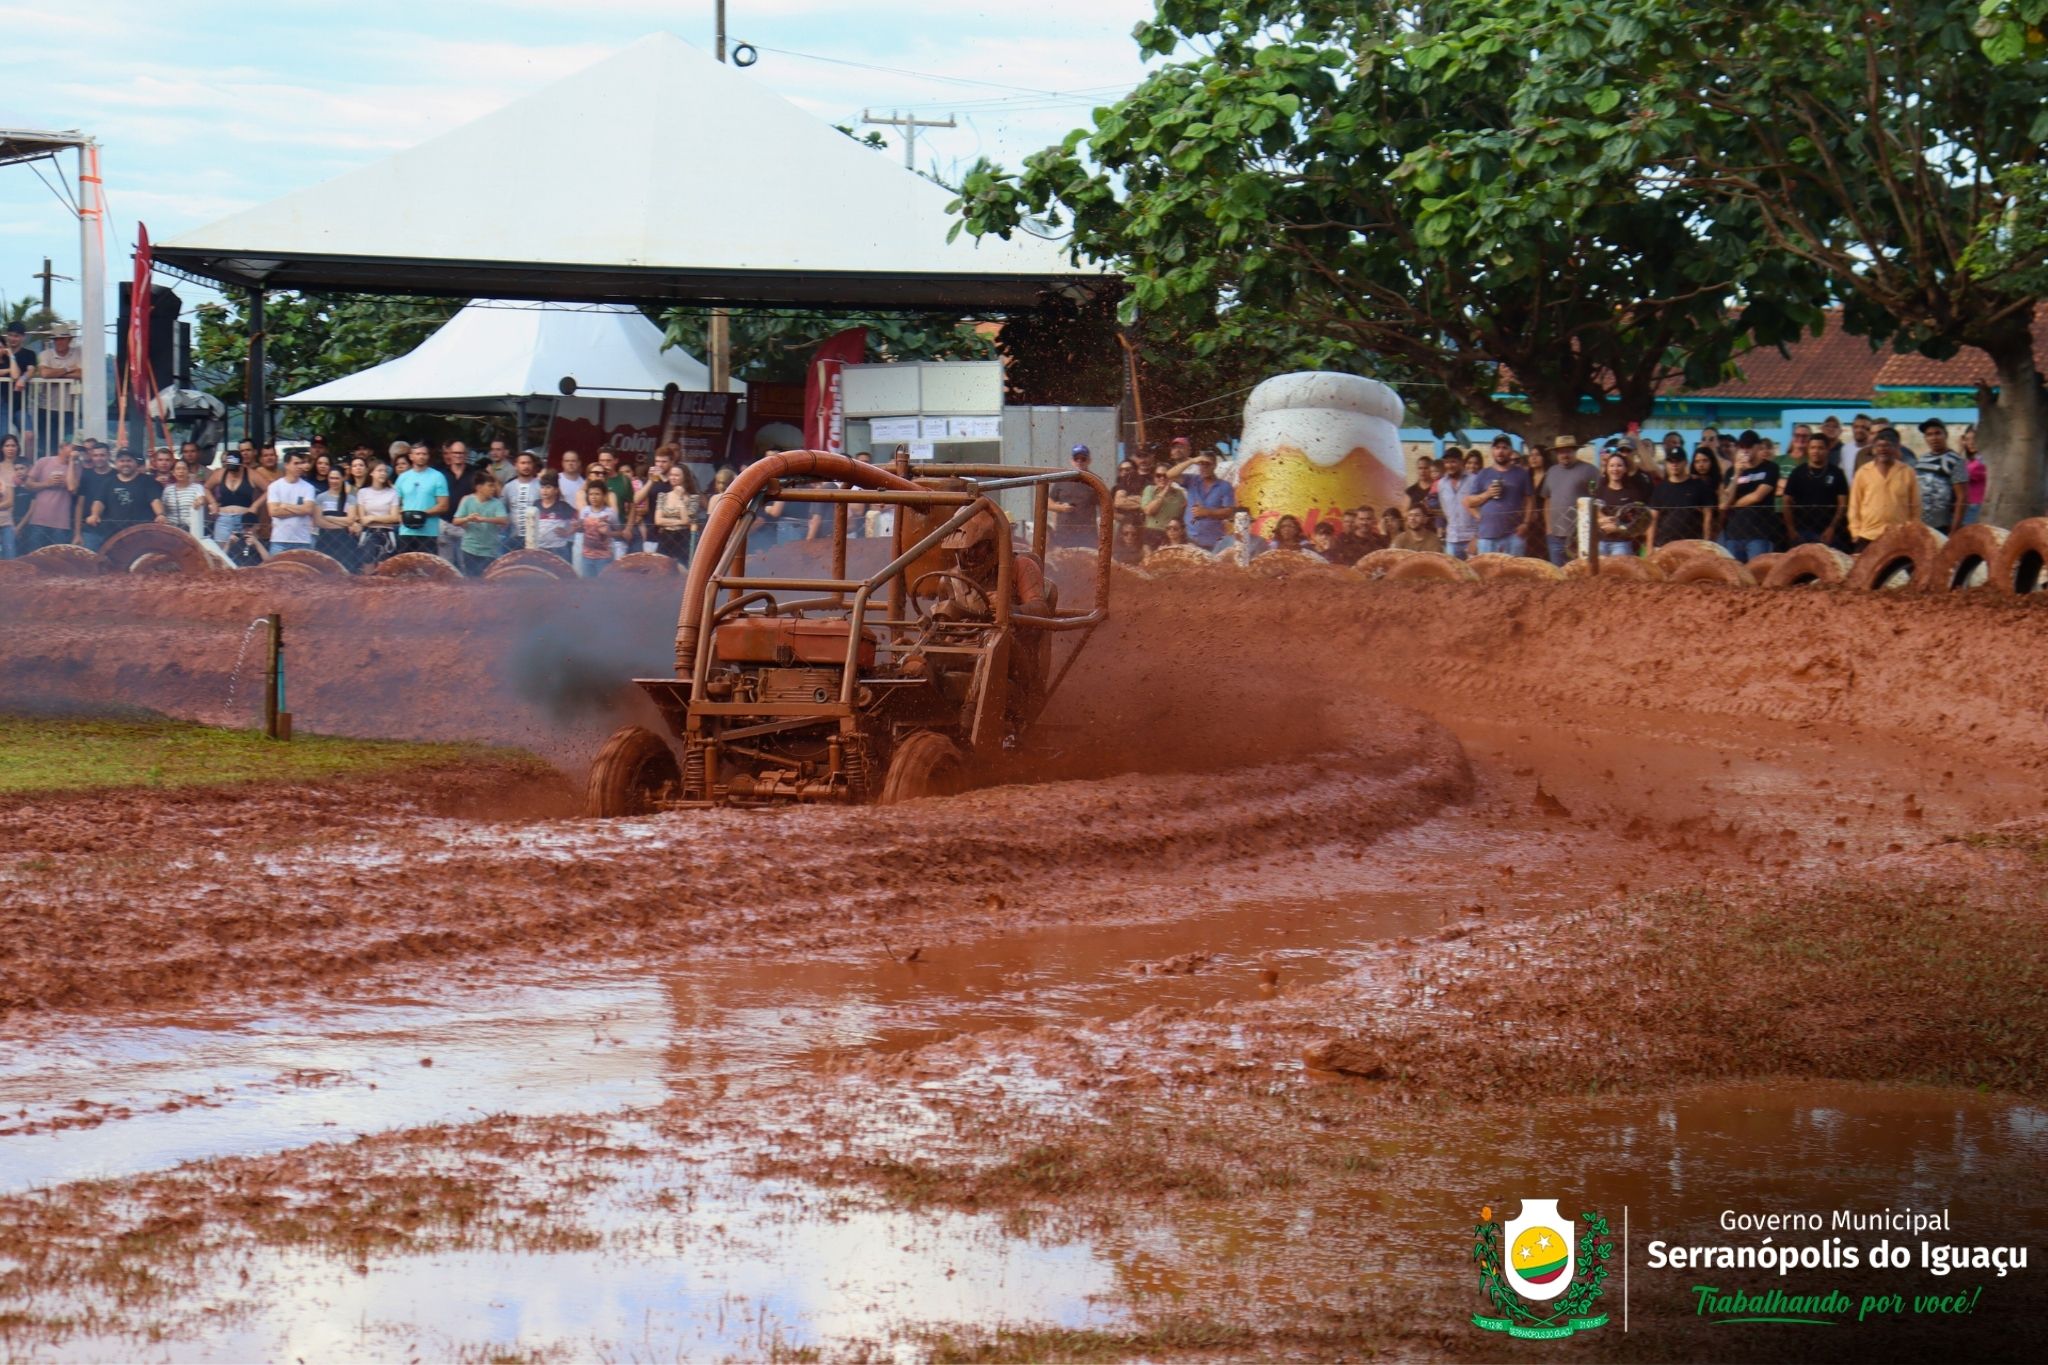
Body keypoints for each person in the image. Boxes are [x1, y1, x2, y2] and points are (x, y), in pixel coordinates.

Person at [1464, 434, 1536, 556]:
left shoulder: (1522, 474)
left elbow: (1530, 499)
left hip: (1514, 535)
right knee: (1487, 573)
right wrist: (1488, 494)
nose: (1500, 451)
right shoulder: (1483, 474)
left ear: (1511, 451)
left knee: (1514, 572)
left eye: (1504, 447)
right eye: (1497, 447)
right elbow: (1469, 502)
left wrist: (1526, 523)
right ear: (1492, 451)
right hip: (1487, 535)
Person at [1847, 436, 1920, 547]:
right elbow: (1854, 505)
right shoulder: (1862, 472)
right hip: (1868, 535)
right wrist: (1855, 532)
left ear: (1895, 449)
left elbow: (1916, 506)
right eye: (1879, 446)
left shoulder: (1907, 472)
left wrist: (1912, 531)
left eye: (1887, 446)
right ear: (1873, 449)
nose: (1882, 449)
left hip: (1899, 536)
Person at [1538, 436, 1598, 566]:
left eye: (1568, 451)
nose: (1565, 455)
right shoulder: (1551, 472)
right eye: (1561, 451)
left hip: (1580, 535)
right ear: (1556, 453)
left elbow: (1598, 499)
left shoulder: (1589, 470)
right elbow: (1547, 500)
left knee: (1581, 572)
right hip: (1555, 535)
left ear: (1575, 451)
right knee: (1558, 574)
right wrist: (1549, 528)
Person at [1782, 433, 1850, 548]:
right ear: (1808, 450)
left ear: (1828, 450)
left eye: (1820, 448)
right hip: (1802, 533)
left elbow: (1842, 504)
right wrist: (1791, 530)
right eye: (1812, 448)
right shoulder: (1797, 473)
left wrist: (1832, 528)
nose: (1816, 451)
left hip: (1829, 534)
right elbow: (1786, 501)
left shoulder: (1837, 473)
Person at [1719, 443, 1781, 563]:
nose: (1746, 451)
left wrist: (1733, 505)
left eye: (1749, 446)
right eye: (1743, 447)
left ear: (1757, 447)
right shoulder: (1731, 472)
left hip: (1759, 534)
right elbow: (1724, 503)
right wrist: (1737, 474)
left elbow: (1757, 496)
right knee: (1734, 576)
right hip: (1734, 534)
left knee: (1757, 575)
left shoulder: (1770, 467)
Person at [1647, 447, 1716, 547]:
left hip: (1693, 544)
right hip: (1665, 544)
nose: (1674, 465)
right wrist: (1649, 547)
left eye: (1678, 461)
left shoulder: (1699, 486)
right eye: (1671, 461)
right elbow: (1652, 519)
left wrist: (1706, 543)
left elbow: (1708, 516)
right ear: (1666, 464)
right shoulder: (1660, 489)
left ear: (1685, 462)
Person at [86, 448, 159, 542]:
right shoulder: (108, 482)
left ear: (135, 463)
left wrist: (160, 514)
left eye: (129, 461)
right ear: (116, 463)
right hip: (114, 534)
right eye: (122, 461)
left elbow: (155, 500)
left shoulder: (148, 481)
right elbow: (99, 501)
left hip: (142, 534)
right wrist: (94, 515)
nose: (125, 464)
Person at [1169, 448, 1235, 549]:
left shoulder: (1224, 486)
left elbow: (1229, 512)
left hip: (1213, 540)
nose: (1204, 467)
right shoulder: (1192, 480)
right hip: (1190, 538)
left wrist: (1207, 512)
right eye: (1201, 464)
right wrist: (1191, 461)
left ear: (1214, 465)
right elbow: (1170, 474)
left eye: (1207, 464)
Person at [1911, 418, 1968, 535]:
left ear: (1945, 435)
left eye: (1938, 433)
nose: (1934, 438)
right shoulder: (1921, 460)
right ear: (1925, 438)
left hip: (1943, 526)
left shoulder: (1956, 461)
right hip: (1920, 526)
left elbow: (1962, 497)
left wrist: (1954, 529)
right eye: (1929, 435)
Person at [394, 443, 450, 555]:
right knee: (404, 568)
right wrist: (401, 515)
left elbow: (444, 505)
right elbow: (395, 503)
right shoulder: (402, 478)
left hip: (429, 532)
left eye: (424, 454)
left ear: (428, 456)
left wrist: (420, 515)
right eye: (418, 454)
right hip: (406, 531)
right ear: (411, 456)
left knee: (427, 570)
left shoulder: (437, 476)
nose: (421, 456)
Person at [1592, 450, 1649, 557]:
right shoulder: (1600, 491)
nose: (1615, 469)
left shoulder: (1633, 493)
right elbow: (1593, 512)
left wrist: (1618, 528)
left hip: (1622, 543)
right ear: (1607, 469)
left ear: (1625, 469)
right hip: (1600, 541)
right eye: (1612, 466)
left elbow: (1638, 522)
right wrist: (1601, 520)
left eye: (1619, 465)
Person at [453, 470, 509, 576]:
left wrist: (484, 519)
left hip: (490, 550)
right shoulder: (467, 500)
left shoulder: (497, 503)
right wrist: (467, 519)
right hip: (469, 548)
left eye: (494, 486)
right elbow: (455, 521)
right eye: (490, 486)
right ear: (479, 487)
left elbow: (504, 520)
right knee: (470, 577)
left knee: (487, 578)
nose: (493, 489)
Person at [1046, 444, 1102, 548]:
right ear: (1071, 461)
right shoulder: (1062, 479)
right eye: (1076, 458)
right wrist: (1060, 508)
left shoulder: (1095, 481)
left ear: (1089, 460)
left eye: (1083, 458)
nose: (1079, 461)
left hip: (1088, 536)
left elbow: (1104, 507)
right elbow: (1048, 503)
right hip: (1063, 535)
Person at [263, 453, 320, 554]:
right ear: (286, 465)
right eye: (296, 463)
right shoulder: (274, 486)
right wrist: (300, 510)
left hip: (302, 540)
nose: (299, 466)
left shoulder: (308, 487)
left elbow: (308, 510)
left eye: (301, 463)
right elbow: (273, 512)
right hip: (279, 540)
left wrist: (285, 506)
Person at [351, 460, 401, 566]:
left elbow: (395, 518)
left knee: (385, 569)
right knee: (367, 567)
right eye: (379, 470)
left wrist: (372, 518)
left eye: (385, 471)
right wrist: (383, 518)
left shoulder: (392, 492)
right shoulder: (362, 492)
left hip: (387, 534)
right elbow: (363, 519)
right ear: (371, 473)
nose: (383, 473)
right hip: (368, 534)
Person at [209, 451, 260, 549]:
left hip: (244, 518)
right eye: (230, 469)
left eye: (235, 469)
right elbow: (206, 487)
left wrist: (256, 505)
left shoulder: (250, 474)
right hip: (224, 518)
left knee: (245, 549)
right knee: (221, 552)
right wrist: (213, 502)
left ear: (241, 465)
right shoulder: (220, 473)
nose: (232, 472)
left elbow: (269, 489)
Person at [438, 440, 478, 564]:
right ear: (449, 454)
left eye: (461, 453)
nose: (458, 455)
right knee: (446, 564)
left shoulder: (475, 473)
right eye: (455, 452)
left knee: (465, 563)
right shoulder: (441, 474)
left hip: (467, 524)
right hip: (444, 524)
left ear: (466, 454)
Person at [573, 479, 622, 577]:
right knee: (588, 585)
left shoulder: (610, 513)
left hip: (604, 557)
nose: (593, 497)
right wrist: (576, 526)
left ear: (604, 496)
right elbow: (581, 528)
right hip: (587, 556)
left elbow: (619, 532)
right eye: (591, 494)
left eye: (597, 494)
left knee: (602, 586)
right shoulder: (584, 511)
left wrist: (608, 533)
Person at [1136, 462, 1187, 549]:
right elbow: (1149, 511)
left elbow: (1182, 515)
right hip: (1152, 534)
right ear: (1154, 477)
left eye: (1166, 475)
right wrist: (1165, 490)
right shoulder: (1150, 490)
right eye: (1158, 475)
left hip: (1172, 535)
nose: (1162, 478)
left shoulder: (1179, 493)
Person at [312, 467, 356, 568]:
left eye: (337, 478)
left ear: (343, 478)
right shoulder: (320, 498)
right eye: (331, 478)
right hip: (325, 540)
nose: (334, 481)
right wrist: (342, 524)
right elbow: (319, 521)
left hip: (345, 541)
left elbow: (350, 520)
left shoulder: (351, 499)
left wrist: (329, 517)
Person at [152, 458, 207, 538]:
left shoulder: (197, 487)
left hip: (191, 531)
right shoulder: (168, 489)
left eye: (184, 469)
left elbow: (202, 499)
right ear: (173, 473)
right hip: (172, 531)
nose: (181, 471)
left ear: (188, 472)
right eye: (178, 469)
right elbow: (163, 508)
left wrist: (199, 502)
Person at [1960, 425, 1986, 526]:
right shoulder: (1970, 461)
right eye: (1967, 439)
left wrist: (1960, 449)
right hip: (1968, 506)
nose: (1971, 443)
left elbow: (1961, 473)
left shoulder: (1981, 461)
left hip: (1976, 507)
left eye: (1974, 439)